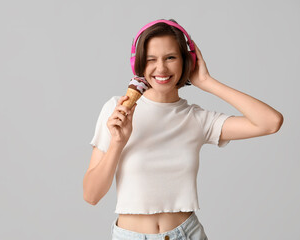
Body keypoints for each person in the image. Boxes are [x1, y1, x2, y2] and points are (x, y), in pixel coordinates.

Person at [83, 19, 283, 240]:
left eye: (170, 57)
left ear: (186, 61)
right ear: (138, 63)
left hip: (187, 234)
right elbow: (91, 195)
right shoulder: (116, 110)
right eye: (151, 59)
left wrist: (207, 82)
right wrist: (117, 143)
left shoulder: (197, 119)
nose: (161, 68)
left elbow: (270, 122)